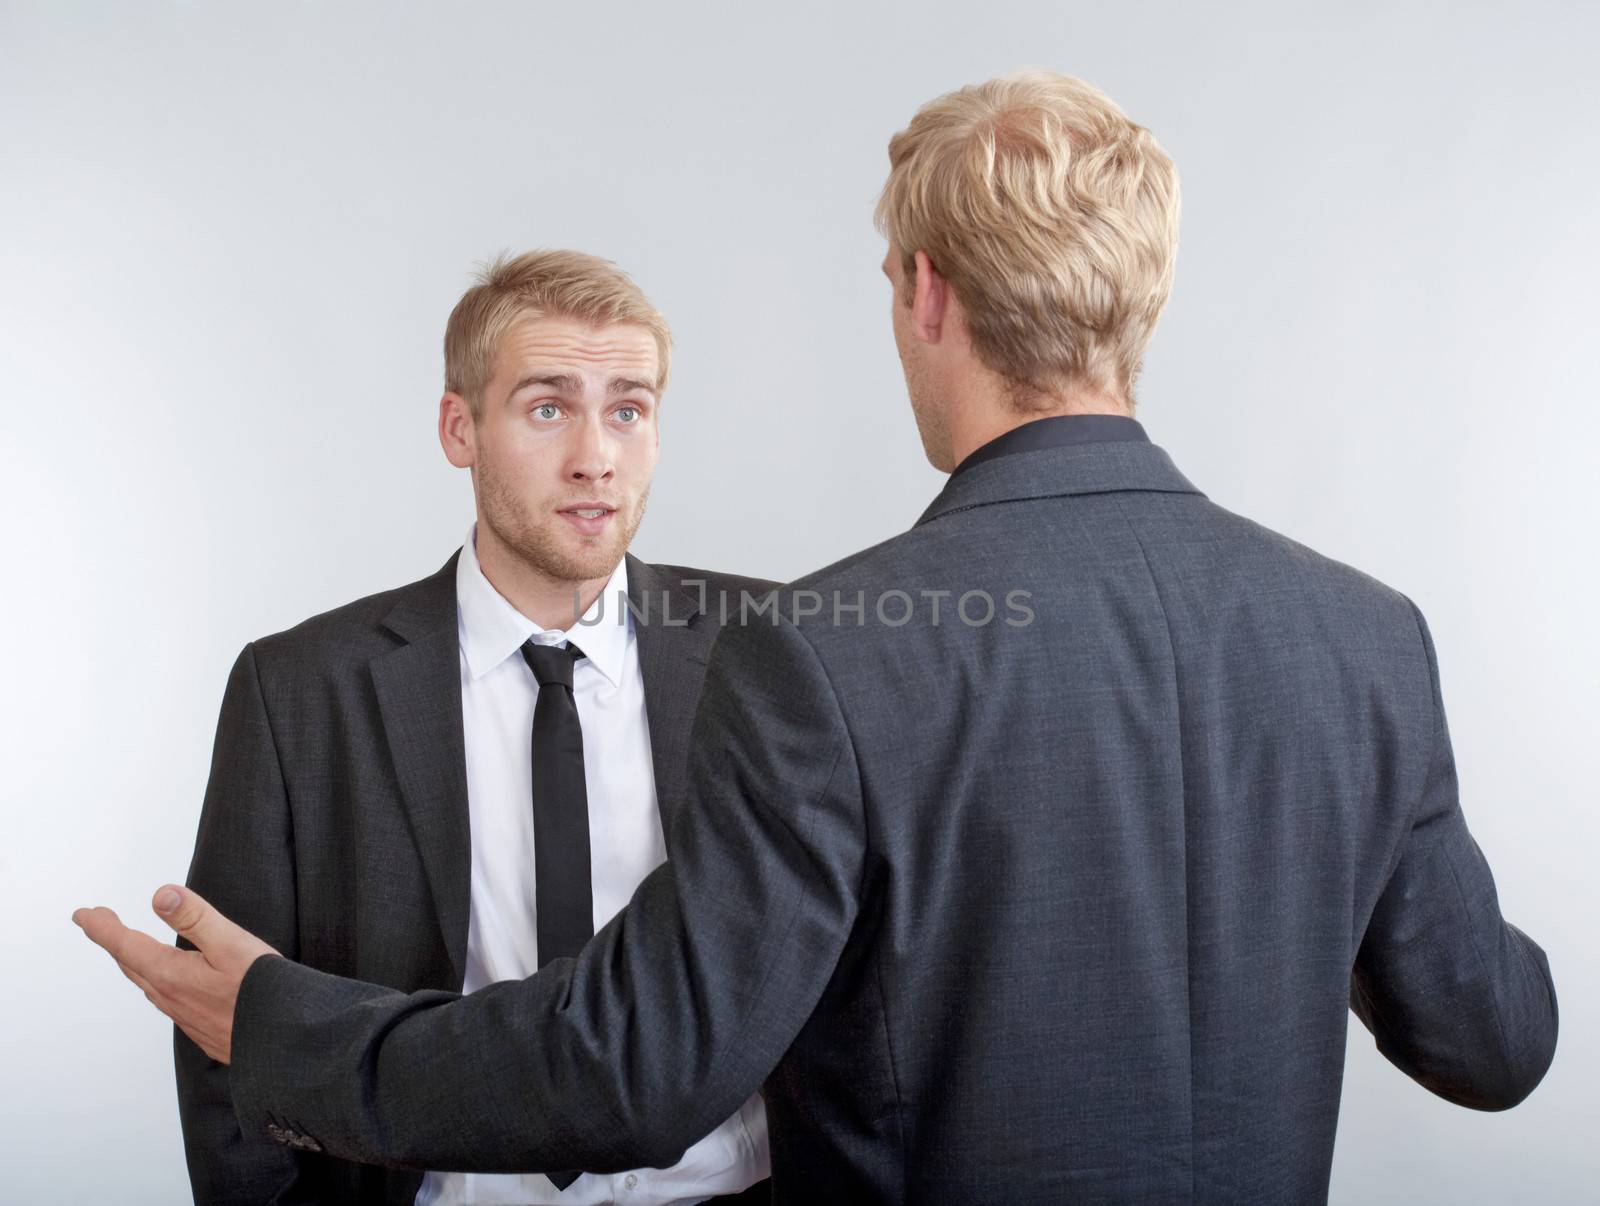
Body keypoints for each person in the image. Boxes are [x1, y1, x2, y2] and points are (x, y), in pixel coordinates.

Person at [79, 71, 1558, 1204]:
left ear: (923, 293)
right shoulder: (1368, 637)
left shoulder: (828, 649)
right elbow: (1495, 1042)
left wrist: (283, 1026)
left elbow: (637, 1063)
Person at [166, 249, 774, 1204]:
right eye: (547, 407)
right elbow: (229, 1031)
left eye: (628, 407)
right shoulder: (297, 690)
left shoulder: (774, 652)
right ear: (461, 428)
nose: (595, 456)